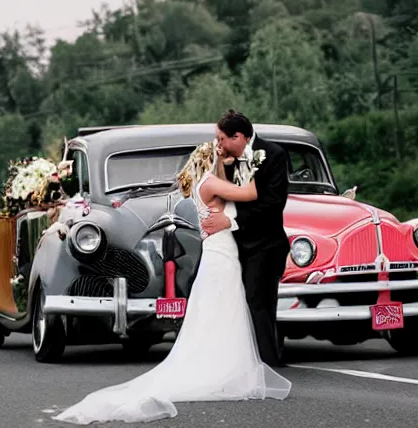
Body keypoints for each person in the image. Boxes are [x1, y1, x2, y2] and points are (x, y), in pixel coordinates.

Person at [52, 140, 291, 425]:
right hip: (222, 254)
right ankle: (227, 367)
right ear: (212, 161)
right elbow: (251, 193)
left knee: (218, 312)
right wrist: (250, 168)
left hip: (219, 253)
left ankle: (224, 363)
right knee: (225, 309)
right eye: (221, 157)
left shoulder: (204, 185)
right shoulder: (212, 184)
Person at [201, 110, 290, 368]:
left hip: (264, 244)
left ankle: (268, 364)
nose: (217, 144)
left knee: (258, 302)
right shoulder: (224, 160)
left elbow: (273, 204)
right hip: (228, 246)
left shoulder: (273, 155)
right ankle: (235, 362)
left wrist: (231, 220)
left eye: (221, 139)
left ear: (238, 136)